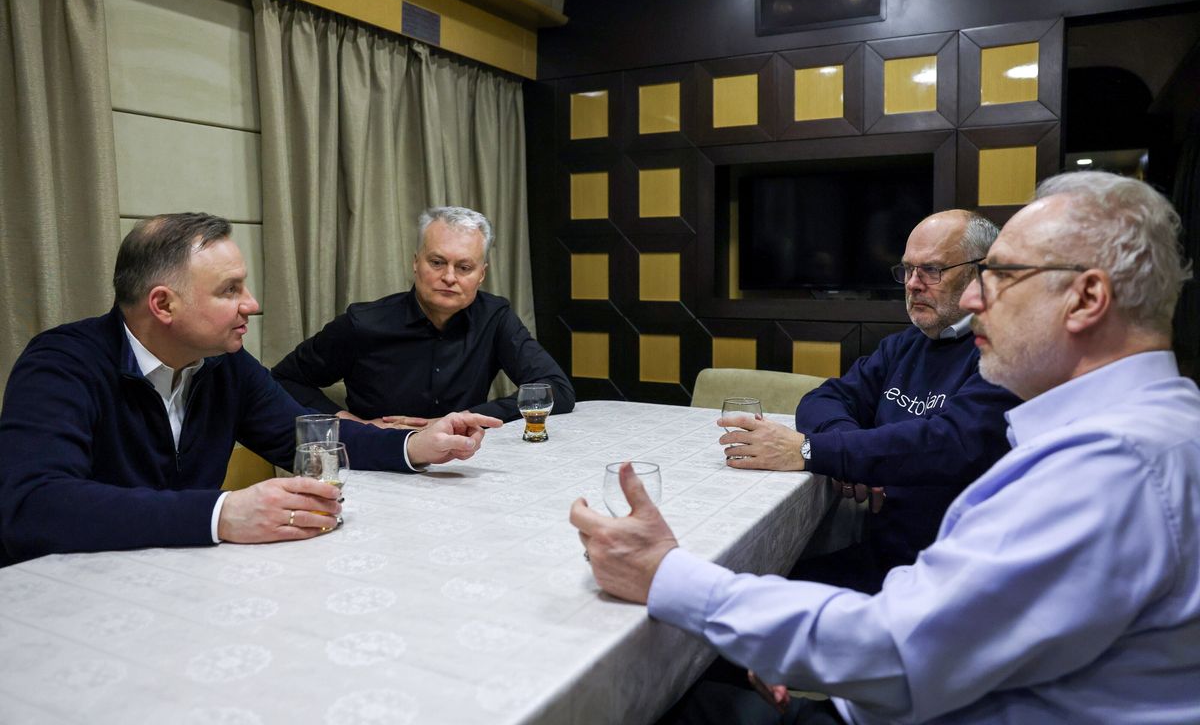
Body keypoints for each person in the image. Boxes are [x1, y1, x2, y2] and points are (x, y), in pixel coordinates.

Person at [572, 171, 1200, 723]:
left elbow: (896, 653)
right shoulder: (1142, 430)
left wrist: (666, 574)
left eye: (1002, 276)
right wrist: (853, 451)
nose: (977, 300)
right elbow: (835, 402)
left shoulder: (1113, 466)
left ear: (1087, 298)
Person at [0, 213, 500, 567]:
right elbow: (33, 505)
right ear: (163, 305)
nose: (252, 304)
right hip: (63, 598)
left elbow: (305, 439)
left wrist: (415, 445)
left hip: (177, 576)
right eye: (230, 290)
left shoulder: (225, 365)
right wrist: (222, 513)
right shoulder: (62, 363)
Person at [719, 210, 1019, 591]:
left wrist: (815, 450)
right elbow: (825, 398)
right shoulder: (905, 345)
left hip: (950, 577)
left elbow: (948, 442)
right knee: (739, 587)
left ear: (982, 272)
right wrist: (858, 459)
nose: (912, 284)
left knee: (738, 602)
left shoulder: (1003, 354)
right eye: (907, 270)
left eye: (931, 270)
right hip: (881, 556)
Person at [271, 205, 574, 427]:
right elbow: (285, 379)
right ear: (416, 263)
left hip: (462, 458)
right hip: (380, 458)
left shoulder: (494, 318)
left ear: (481, 275)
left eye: (464, 268)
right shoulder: (363, 323)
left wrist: (462, 419)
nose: (450, 277)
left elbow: (557, 390)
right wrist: (350, 423)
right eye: (438, 262)